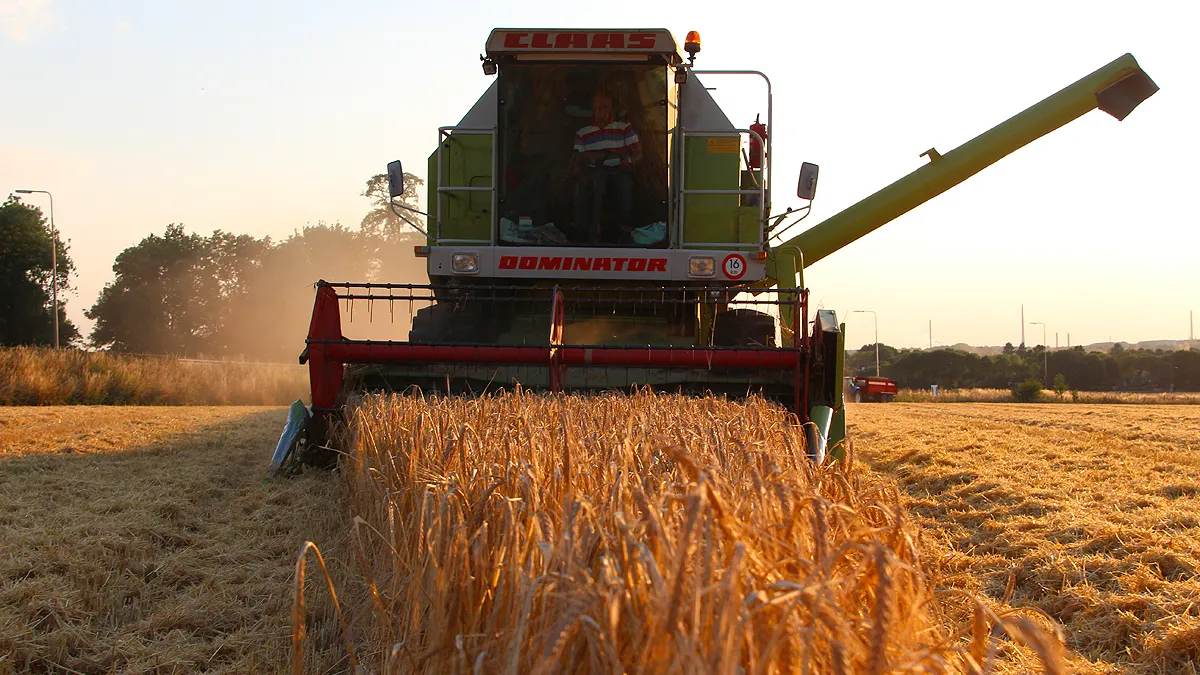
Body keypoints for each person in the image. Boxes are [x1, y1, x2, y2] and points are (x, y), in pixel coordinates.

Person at [572, 91, 641, 244]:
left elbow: (638, 154)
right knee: (582, 191)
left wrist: (626, 160)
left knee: (623, 191)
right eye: (598, 107)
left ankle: (624, 229)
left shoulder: (624, 128)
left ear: (612, 108)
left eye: (605, 106)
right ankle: (584, 230)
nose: (601, 110)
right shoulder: (583, 133)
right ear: (592, 108)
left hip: (619, 172)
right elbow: (577, 158)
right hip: (593, 174)